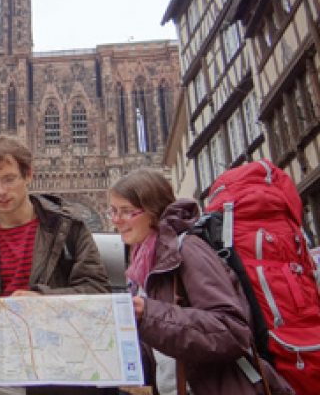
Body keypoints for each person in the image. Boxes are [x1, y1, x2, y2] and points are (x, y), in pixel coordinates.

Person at [108, 168, 294, 395]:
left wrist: (146, 314)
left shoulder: (187, 249)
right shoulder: (142, 267)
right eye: (113, 211)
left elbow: (232, 331)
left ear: (152, 211)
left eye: (126, 212)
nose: (116, 220)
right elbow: (165, 353)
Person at [0, 134, 111, 395]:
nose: (1, 191)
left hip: (59, 368)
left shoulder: (68, 227)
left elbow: (97, 291)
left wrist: (41, 298)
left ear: (28, 175)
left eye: (9, 179)